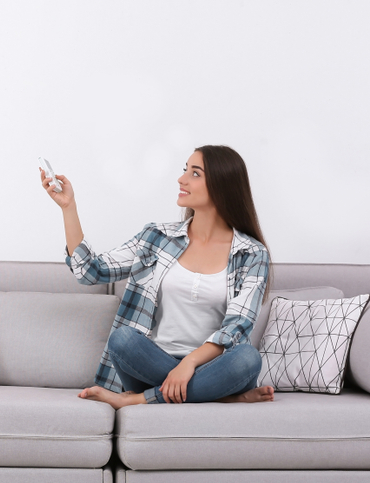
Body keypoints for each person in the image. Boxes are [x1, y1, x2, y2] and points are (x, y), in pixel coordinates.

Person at [41, 145, 275, 409]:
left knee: (247, 358)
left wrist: (188, 364)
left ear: (223, 185)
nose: (182, 179)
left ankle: (139, 400)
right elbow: (90, 271)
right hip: (152, 364)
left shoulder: (252, 253)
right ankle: (221, 396)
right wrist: (68, 208)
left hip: (214, 367)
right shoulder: (156, 237)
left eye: (195, 174)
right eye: (185, 170)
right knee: (123, 339)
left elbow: (237, 326)